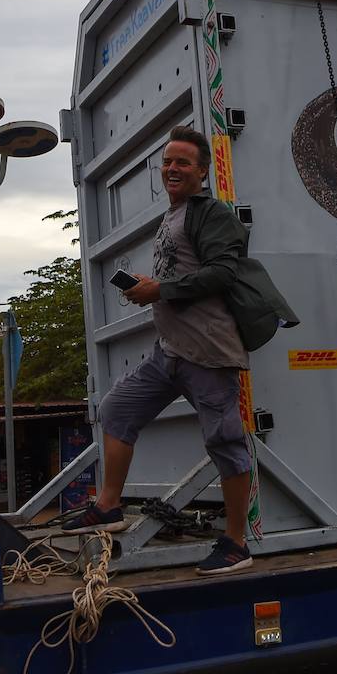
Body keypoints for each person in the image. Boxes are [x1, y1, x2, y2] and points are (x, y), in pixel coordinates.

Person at [64, 126, 298, 575]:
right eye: (168, 161)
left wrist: (160, 290)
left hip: (208, 352)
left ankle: (235, 543)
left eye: (183, 163)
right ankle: (109, 506)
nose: (172, 169)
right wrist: (150, 291)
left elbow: (223, 274)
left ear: (202, 172)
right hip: (169, 351)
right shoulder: (172, 215)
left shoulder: (212, 214)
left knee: (225, 442)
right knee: (116, 409)